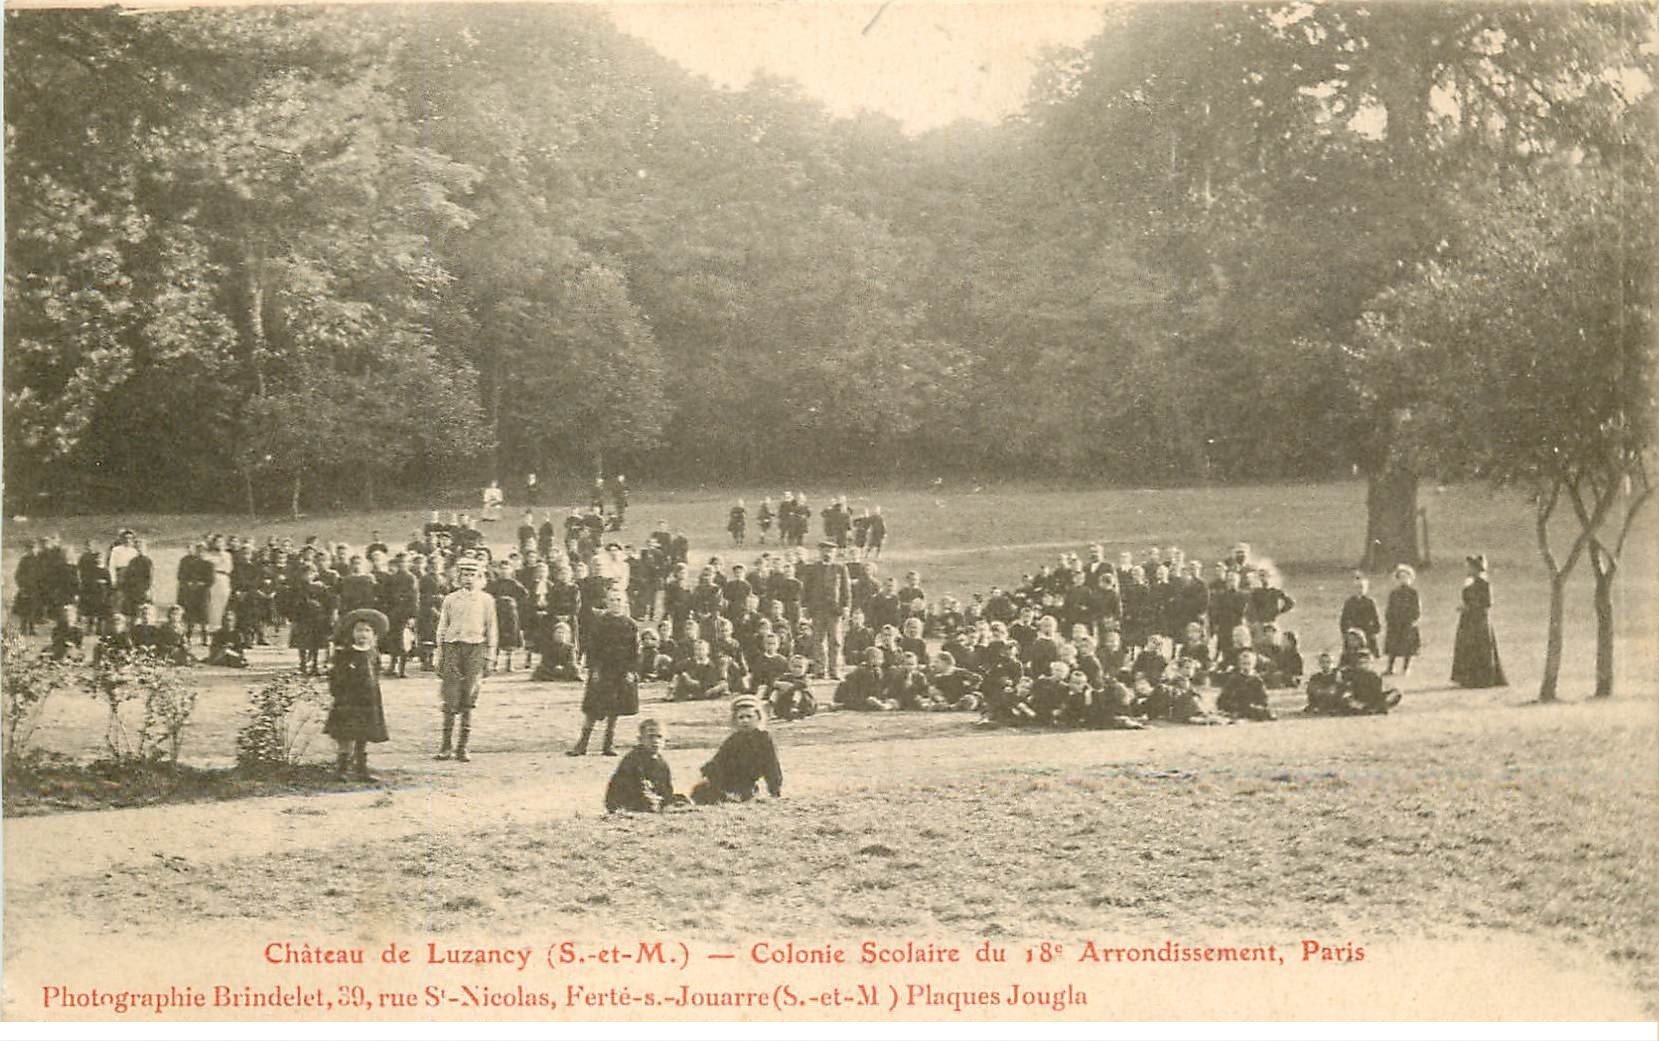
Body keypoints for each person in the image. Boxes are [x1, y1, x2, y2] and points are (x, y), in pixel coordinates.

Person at [435, 558, 498, 762]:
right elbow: (442, 628)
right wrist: (440, 654)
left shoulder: (486, 600)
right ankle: (446, 746)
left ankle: (463, 746)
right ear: (458, 577)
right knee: (450, 695)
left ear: (480, 578)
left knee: (469, 694)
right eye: (465, 574)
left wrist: (490, 656)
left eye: (473, 575)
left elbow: (491, 628)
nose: (468, 579)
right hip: (453, 647)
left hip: (476, 648)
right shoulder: (451, 599)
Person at [569, 589, 640, 757]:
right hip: (603, 670)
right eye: (612, 600)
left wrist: (631, 671)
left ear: (624, 602)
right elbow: (592, 649)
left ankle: (608, 744)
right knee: (593, 708)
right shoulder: (599, 622)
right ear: (606, 602)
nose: (615, 603)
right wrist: (594, 669)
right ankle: (582, 744)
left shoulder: (630, 624)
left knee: (615, 709)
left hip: (621, 671)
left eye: (618, 599)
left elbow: (635, 651)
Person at [325, 609, 391, 782]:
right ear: (352, 633)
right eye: (359, 630)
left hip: (368, 700)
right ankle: (342, 769)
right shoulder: (345, 654)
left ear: (374, 635)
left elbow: (375, 673)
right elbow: (335, 677)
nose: (363, 634)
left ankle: (361, 769)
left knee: (363, 734)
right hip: (348, 700)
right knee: (346, 735)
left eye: (367, 631)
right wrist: (339, 693)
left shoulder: (373, 653)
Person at [691, 695, 783, 804]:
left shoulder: (764, 739)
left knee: (741, 796)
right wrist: (705, 774)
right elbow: (717, 760)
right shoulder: (733, 739)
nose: (745, 721)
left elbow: (772, 766)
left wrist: (774, 791)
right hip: (725, 781)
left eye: (749, 717)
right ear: (735, 720)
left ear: (758, 718)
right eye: (741, 717)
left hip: (746, 784)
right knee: (702, 791)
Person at [1451, 554, 1507, 688]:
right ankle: (1467, 678)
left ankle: (1482, 679)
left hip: (1479, 620)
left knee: (1480, 647)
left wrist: (1469, 607)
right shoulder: (1469, 583)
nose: (1467, 570)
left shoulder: (1484, 584)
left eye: (1469, 567)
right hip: (1468, 619)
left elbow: (1487, 603)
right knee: (1467, 647)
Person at [604, 719, 681, 813]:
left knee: (681, 800)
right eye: (650, 737)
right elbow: (636, 787)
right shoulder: (633, 759)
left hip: (651, 797)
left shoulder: (662, 763)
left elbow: (666, 789)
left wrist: (666, 799)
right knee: (649, 803)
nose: (655, 741)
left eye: (659, 737)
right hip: (627, 800)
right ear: (640, 739)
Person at [800, 541, 851, 680]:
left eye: (830, 551)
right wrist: (804, 606)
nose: (827, 553)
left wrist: (846, 606)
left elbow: (846, 589)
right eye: (824, 550)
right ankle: (820, 670)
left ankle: (834, 670)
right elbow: (806, 589)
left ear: (834, 553)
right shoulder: (812, 568)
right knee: (818, 640)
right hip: (817, 610)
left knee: (835, 641)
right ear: (820, 552)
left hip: (835, 611)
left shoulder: (840, 568)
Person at [1384, 564, 1422, 676]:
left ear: (1410, 578)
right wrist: (1389, 618)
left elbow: (1416, 608)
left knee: (1408, 646)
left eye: (1406, 577)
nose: (1403, 580)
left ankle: (1406, 667)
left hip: (1408, 622)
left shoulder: (1413, 593)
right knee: (1393, 647)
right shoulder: (1394, 593)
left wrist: (1413, 618)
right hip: (1395, 623)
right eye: (1401, 577)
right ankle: (1390, 667)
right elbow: (1390, 607)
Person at [1339, 572, 1382, 657]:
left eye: (1362, 587)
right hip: (1354, 628)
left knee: (1369, 647)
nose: (1360, 590)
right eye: (1357, 588)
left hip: (1366, 628)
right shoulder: (1349, 602)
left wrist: (1375, 628)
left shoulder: (1370, 602)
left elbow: (1375, 617)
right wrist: (1345, 630)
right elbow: (1344, 617)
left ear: (1366, 589)